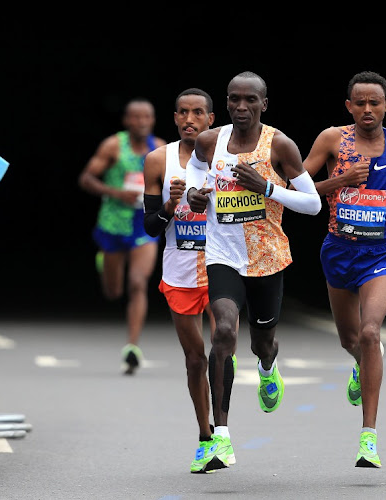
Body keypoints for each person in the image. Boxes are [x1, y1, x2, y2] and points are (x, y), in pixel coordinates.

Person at [185, 71, 322, 469]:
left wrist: (266, 189)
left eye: (250, 100)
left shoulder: (280, 145)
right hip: (222, 254)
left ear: (264, 104)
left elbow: (312, 204)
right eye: (234, 100)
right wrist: (195, 193)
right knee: (224, 330)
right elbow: (195, 170)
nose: (241, 107)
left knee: (261, 341)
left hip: (266, 258)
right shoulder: (211, 140)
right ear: (225, 103)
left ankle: (267, 366)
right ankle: (221, 438)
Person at [302, 70, 386, 468]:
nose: (367, 109)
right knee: (350, 339)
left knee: (371, 333)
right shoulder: (332, 140)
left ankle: (368, 437)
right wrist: (337, 181)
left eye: (375, 102)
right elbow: (296, 188)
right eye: (360, 102)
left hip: (382, 253)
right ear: (349, 106)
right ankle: (361, 363)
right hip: (339, 250)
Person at [142, 88, 228, 472]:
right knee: (195, 359)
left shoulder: (227, 155)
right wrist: (168, 205)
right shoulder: (157, 160)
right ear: (174, 117)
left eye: (198, 113)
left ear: (211, 119)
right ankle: (204, 436)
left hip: (223, 264)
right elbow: (148, 229)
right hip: (178, 270)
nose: (190, 119)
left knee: (222, 345)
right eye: (183, 112)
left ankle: (222, 433)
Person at [78, 97, 166, 374]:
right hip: (113, 224)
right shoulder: (113, 145)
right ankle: (104, 262)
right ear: (126, 121)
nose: (141, 122)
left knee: (138, 283)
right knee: (113, 291)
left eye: (146, 117)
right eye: (135, 117)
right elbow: (87, 179)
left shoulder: (161, 148)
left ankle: (132, 346)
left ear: (152, 120)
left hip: (144, 225)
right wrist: (117, 193)